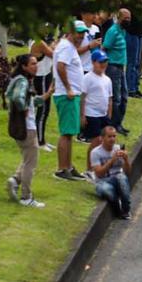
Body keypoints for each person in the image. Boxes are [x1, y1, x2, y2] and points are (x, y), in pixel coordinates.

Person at [6, 53, 47, 208]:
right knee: (31, 162)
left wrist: (45, 95)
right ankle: (26, 196)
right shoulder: (23, 81)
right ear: (24, 67)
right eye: (32, 64)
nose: (36, 66)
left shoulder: (18, 80)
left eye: (36, 63)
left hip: (21, 127)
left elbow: (30, 101)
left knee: (27, 158)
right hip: (27, 128)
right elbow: (17, 98)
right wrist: (23, 108)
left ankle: (15, 179)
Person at [52, 19, 87, 181]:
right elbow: (60, 67)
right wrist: (68, 88)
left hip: (70, 94)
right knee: (66, 133)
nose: (82, 35)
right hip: (67, 95)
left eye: (83, 32)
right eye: (79, 32)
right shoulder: (66, 46)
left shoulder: (68, 46)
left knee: (70, 132)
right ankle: (62, 168)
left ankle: (69, 166)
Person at [91, 125, 133, 219]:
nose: (112, 139)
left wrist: (126, 160)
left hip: (118, 179)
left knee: (121, 177)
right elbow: (99, 173)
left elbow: (128, 173)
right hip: (103, 181)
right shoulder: (95, 152)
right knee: (107, 190)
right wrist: (111, 161)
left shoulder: (118, 149)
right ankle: (118, 209)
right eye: (109, 136)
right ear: (102, 138)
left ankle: (126, 210)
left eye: (114, 136)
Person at [102, 9, 130, 133]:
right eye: (126, 18)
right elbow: (104, 48)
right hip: (113, 67)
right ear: (119, 18)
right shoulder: (113, 31)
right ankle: (114, 125)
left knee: (124, 96)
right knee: (116, 98)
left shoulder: (123, 30)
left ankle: (119, 123)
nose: (128, 21)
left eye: (129, 18)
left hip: (120, 67)